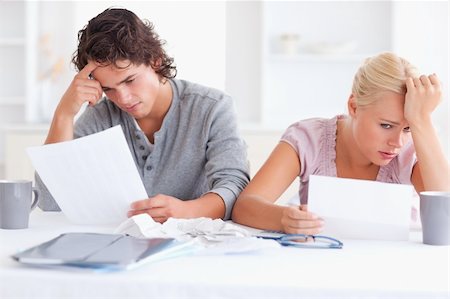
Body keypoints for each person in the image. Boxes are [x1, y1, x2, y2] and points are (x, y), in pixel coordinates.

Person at [37, 8, 250, 222]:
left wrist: (187, 211)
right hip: (121, 244)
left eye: (129, 81)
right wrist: (64, 115)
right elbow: (50, 202)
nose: (123, 98)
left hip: (195, 243)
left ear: (155, 61)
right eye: (108, 88)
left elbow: (234, 186)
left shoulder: (212, 108)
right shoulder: (102, 116)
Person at [231, 52, 449, 234]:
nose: (397, 142)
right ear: (353, 107)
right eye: (386, 125)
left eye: (408, 128)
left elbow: (446, 210)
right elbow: (245, 206)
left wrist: (422, 120)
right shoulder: (309, 139)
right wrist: (282, 218)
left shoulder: (414, 149)